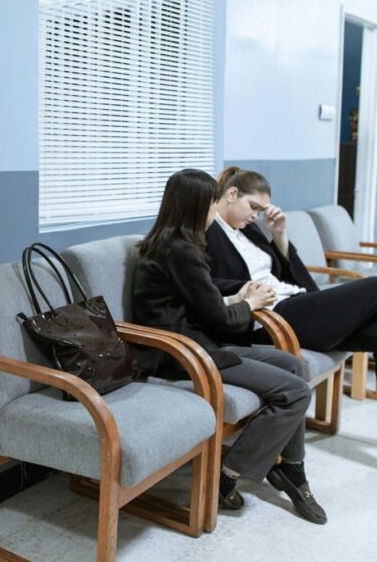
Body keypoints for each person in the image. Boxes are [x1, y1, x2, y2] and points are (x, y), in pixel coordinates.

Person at [132, 169, 327, 524]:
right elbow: (220, 319)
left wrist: (238, 296)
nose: (213, 209)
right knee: (296, 392)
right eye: (210, 203)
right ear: (195, 206)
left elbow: (199, 301)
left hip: (195, 344)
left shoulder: (170, 244)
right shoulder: (182, 251)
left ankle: (292, 468)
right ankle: (227, 475)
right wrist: (249, 305)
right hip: (184, 353)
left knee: (292, 364)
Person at [207, 166, 377, 357]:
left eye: (260, 211)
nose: (256, 215)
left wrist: (279, 233)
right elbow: (205, 284)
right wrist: (249, 289)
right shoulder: (207, 231)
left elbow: (283, 272)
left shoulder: (250, 230)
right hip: (269, 315)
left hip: (292, 303)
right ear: (231, 194)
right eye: (253, 207)